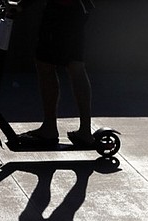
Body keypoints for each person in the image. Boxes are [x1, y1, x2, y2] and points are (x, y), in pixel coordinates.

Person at [18, 0, 96, 148]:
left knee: (46, 64)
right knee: (75, 65)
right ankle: (85, 131)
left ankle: (50, 128)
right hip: (78, 9)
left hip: (61, 9)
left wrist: (21, 5)